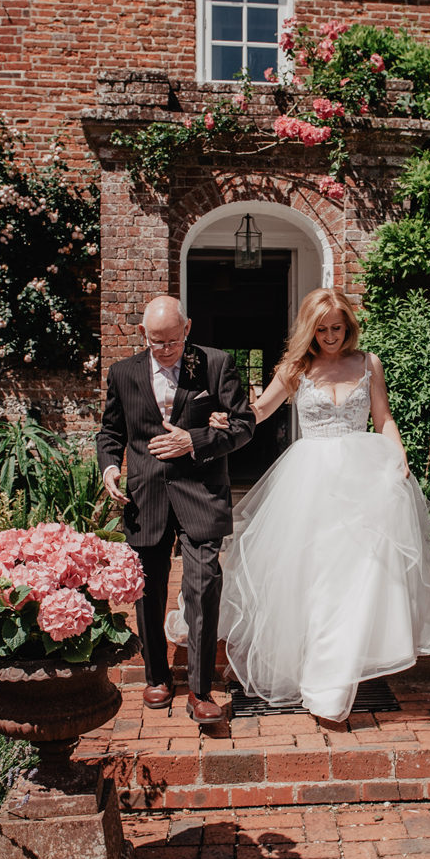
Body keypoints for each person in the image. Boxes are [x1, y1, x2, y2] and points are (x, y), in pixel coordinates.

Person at [210, 287, 430, 726]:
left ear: (349, 326)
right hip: (310, 484)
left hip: (364, 480)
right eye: (321, 330)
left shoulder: (368, 363)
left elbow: (383, 418)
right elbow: (261, 410)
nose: (329, 337)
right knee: (318, 582)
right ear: (309, 329)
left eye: (337, 329)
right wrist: (227, 418)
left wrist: (398, 455)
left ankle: (334, 684)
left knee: (356, 582)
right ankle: (316, 676)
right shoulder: (296, 368)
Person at [96, 296, 255, 724]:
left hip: (201, 493)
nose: (164, 349)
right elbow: (111, 431)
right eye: (155, 342)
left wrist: (195, 441)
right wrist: (110, 468)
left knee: (202, 590)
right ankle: (157, 677)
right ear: (143, 335)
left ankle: (201, 690)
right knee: (148, 589)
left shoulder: (216, 365)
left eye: (171, 340)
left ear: (186, 328)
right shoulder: (123, 373)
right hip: (144, 496)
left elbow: (244, 426)